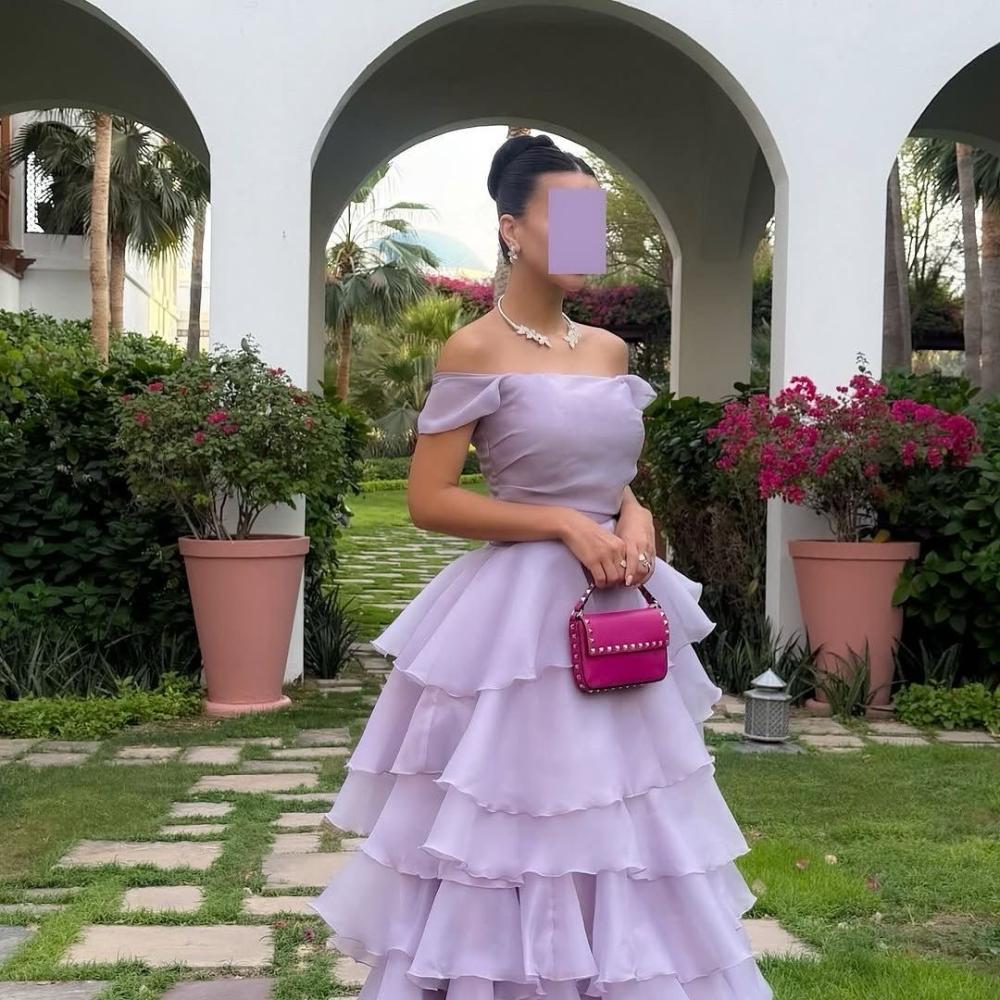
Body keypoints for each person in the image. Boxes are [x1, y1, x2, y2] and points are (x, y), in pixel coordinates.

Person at [313, 134, 775, 1000]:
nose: (586, 238)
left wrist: (632, 511)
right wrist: (562, 524)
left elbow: (607, 471)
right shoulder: (474, 349)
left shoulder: (608, 352)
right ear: (511, 229)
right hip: (519, 624)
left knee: (626, 811)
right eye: (567, 219)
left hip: (619, 605)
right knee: (518, 809)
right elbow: (430, 500)